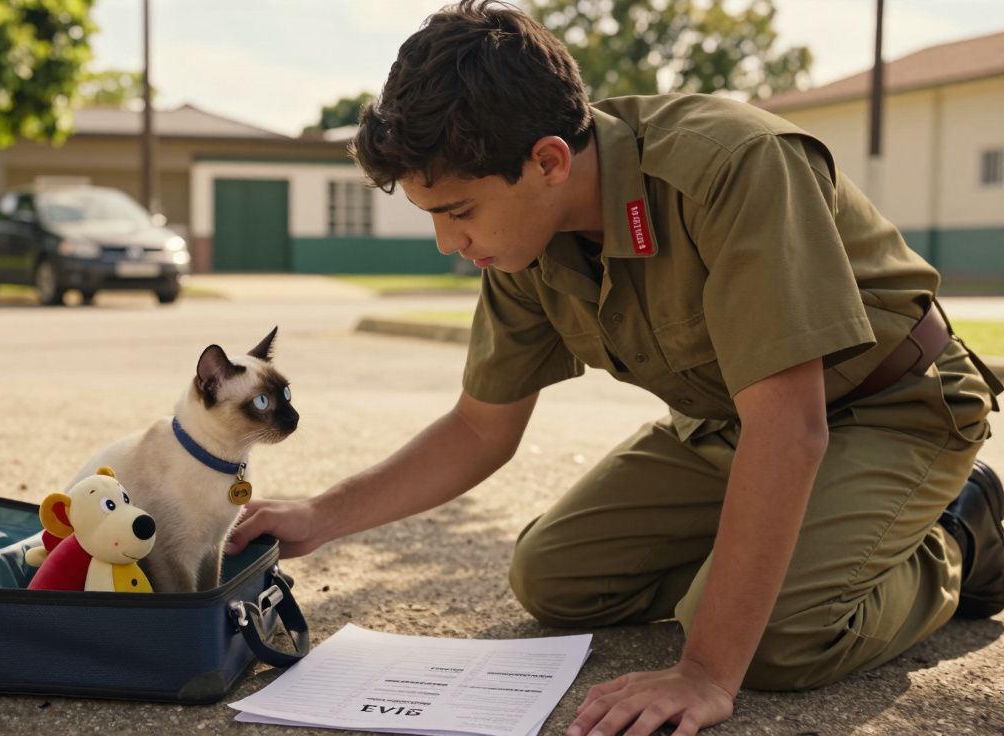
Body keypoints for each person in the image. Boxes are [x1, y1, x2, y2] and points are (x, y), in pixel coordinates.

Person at [224, 2, 1004, 734]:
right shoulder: (522, 236)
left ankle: (963, 531)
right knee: (555, 579)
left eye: (457, 212)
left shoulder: (732, 167)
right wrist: (321, 516)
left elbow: (791, 427)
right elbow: (478, 428)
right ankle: (790, 555)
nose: (446, 243)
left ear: (549, 160)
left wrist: (704, 670)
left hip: (893, 407)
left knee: (773, 645)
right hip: (732, 428)